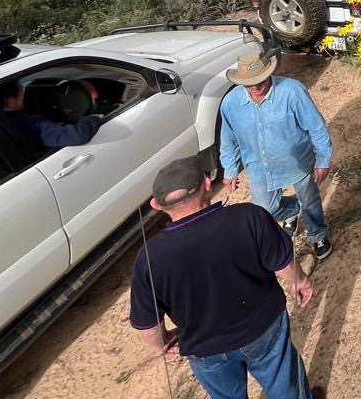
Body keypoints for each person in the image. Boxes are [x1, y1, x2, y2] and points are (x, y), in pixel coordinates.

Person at [129, 156, 320, 399]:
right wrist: (300, 283)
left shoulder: (148, 258)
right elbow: (284, 265)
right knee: (287, 390)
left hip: (205, 350)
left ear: (156, 205)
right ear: (207, 184)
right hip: (264, 329)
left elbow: (147, 327)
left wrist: (163, 342)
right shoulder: (249, 217)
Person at [220, 45, 334, 259]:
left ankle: (317, 234)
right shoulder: (230, 104)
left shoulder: (292, 91)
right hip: (259, 166)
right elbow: (228, 139)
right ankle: (292, 210)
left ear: (269, 73)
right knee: (265, 210)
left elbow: (316, 127)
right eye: (249, 83)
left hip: (297, 162)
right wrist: (230, 169)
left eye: (260, 80)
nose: (255, 87)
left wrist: (323, 160)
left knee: (309, 201)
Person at [0, 79, 102, 148]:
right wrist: (93, 118)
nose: (24, 96)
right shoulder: (28, 124)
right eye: (22, 92)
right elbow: (78, 136)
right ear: (9, 103)